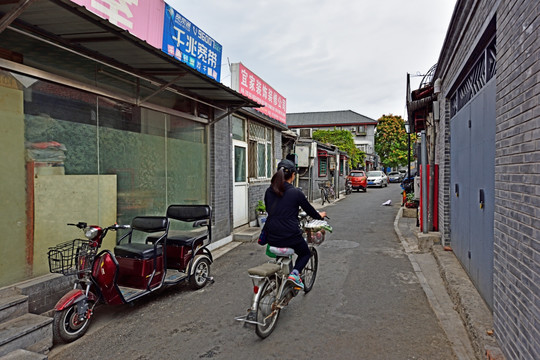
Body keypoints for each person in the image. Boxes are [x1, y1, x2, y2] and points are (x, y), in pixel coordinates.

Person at [263, 159, 326, 289]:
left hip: (272, 236)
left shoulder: (269, 191)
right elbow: (310, 210)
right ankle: (295, 274)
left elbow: (270, 210)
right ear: (293, 175)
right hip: (290, 236)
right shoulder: (296, 193)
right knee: (305, 253)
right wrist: (320, 215)